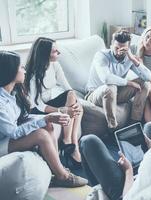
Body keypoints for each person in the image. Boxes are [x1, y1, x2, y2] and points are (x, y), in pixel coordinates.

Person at [0, 51, 87, 187]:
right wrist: (45, 118)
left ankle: (57, 168)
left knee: (48, 125)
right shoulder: (0, 102)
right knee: (41, 135)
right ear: (10, 72)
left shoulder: (13, 92)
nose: (24, 70)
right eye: (21, 67)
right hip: (2, 142)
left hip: (9, 136)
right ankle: (63, 177)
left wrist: (48, 119)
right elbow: (13, 132)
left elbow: (23, 116)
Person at [24, 37, 83, 168]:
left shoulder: (55, 65)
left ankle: (71, 141)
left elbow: (68, 89)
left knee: (75, 100)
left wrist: (69, 107)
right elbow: (37, 104)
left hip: (49, 101)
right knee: (76, 108)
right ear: (45, 54)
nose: (58, 53)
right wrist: (62, 110)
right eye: (55, 51)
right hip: (37, 108)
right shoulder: (32, 73)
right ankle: (71, 147)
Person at [85, 29, 151, 130]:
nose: (118, 51)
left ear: (128, 48)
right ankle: (113, 128)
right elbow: (106, 78)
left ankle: (133, 124)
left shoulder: (128, 58)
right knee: (110, 87)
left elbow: (148, 77)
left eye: (123, 49)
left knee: (145, 84)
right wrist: (128, 83)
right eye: (116, 47)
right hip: (94, 94)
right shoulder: (101, 56)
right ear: (111, 44)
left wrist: (133, 59)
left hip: (116, 93)